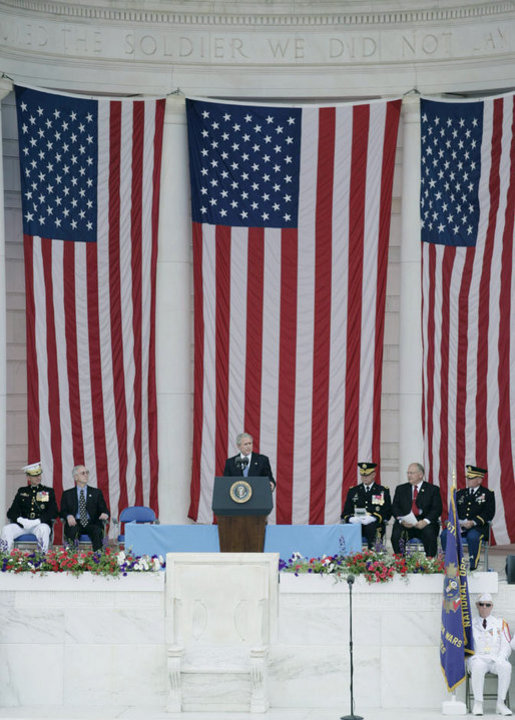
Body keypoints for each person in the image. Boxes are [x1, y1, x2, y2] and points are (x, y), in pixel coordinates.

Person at [441, 465, 495, 571]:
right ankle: (449, 561)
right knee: (445, 534)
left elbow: (489, 513)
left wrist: (473, 522)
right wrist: (455, 522)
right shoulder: (461, 493)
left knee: (473, 537)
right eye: (468, 478)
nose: (468, 480)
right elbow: (453, 510)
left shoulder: (487, 494)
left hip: (477, 527)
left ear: (479, 480)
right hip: (459, 526)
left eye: (471, 478)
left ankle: (472, 564)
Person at [468, 592, 512, 716]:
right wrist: (472, 658)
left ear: (492, 606)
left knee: (506, 667)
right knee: (477, 666)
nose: (484, 607)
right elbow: (466, 646)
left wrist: (501, 658)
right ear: (477, 605)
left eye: (488, 605)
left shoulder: (500, 623)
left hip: (495, 659)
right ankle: (478, 703)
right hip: (478, 658)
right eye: (481, 604)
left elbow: (506, 645)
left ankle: (500, 704)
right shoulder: (470, 624)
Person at [0, 462, 58, 552]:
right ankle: (5, 559)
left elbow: (53, 512)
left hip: (39, 525)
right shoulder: (22, 491)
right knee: (6, 529)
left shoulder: (48, 491)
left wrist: (38, 521)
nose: (38, 477)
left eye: (39, 475)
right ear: (28, 477)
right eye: (35, 476)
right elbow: (11, 512)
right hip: (23, 525)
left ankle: (42, 560)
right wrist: (20, 520)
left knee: (44, 529)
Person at [391, 462, 442, 557]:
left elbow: (437, 509)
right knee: (397, 534)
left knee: (430, 534)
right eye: (408, 473)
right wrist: (402, 520)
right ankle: (400, 562)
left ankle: (430, 562)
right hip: (406, 523)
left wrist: (425, 521)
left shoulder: (432, 489)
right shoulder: (401, 489)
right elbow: (395, 507)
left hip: (424, 523)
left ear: (420, 475)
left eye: (412, 473)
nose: (409, 475)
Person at [341, 462, 391, 549]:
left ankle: (374, 558)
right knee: (350, 530)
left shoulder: (382, 491)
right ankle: (351, 558)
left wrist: (373, 518)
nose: (365, 478)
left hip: (374, 525)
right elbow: (345, 512)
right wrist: (352, 518)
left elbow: (387, 511)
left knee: (372, 529)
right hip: (356, 524)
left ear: (373, 475)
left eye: (367, 475)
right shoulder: (353, 491)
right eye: (363, 475)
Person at [60, 465, 109, 551]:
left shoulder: (96, 492)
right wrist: (68, 516)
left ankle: (98, 559)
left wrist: (105, 513)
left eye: (87, 473)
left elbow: (104, 509)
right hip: (75, 522)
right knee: (72, 531)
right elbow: (62, 511)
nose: (86, 475)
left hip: (92, 522)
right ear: (76, 477)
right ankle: (71, 560)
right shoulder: (67, 494)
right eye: (83, 473)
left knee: (97, 531)